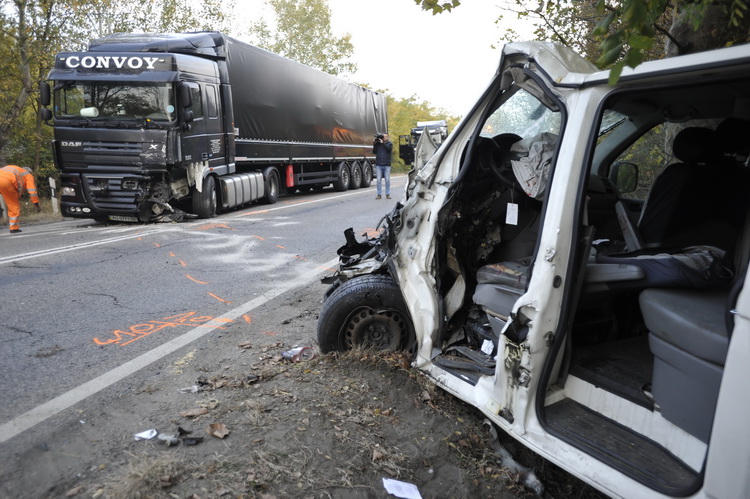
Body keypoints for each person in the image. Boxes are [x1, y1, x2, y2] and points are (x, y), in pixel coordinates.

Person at [0, 164, 40, 234]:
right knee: (13, 206)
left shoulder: (16, 169)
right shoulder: (28, 175)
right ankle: (14, 228)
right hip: (6, 182)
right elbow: (32, 192)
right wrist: (36, 204)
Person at [372, 132, 393, 199]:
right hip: (379, 165)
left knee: (387, 180)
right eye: (383, 136)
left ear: (387, 137)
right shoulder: (378, 144)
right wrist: (374, 144)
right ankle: (379, 194)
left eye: (385, 136)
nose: (384, 137)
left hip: (387, 165)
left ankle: (388, 194)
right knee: (378, 180)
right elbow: (374, 152)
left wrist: (382, 143)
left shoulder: (389, 144)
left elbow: (388, 149)